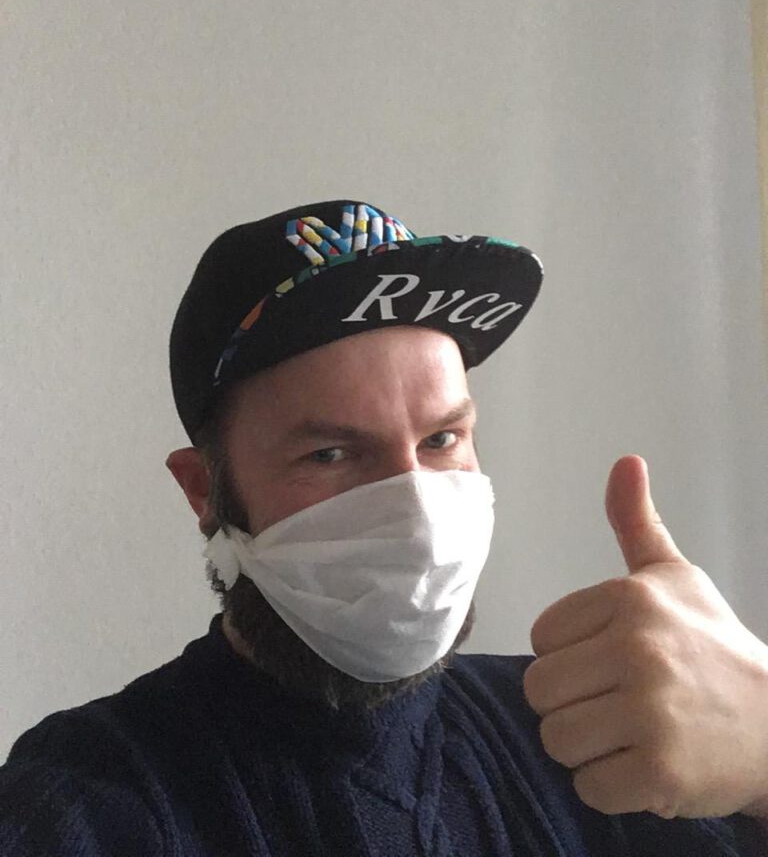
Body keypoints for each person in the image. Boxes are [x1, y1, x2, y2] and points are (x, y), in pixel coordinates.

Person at [1, 197, 766, 856]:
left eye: (441, 439)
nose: (418, 516)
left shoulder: (588, 734)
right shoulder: (95, 795)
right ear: (205, 490)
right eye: (330, 453)